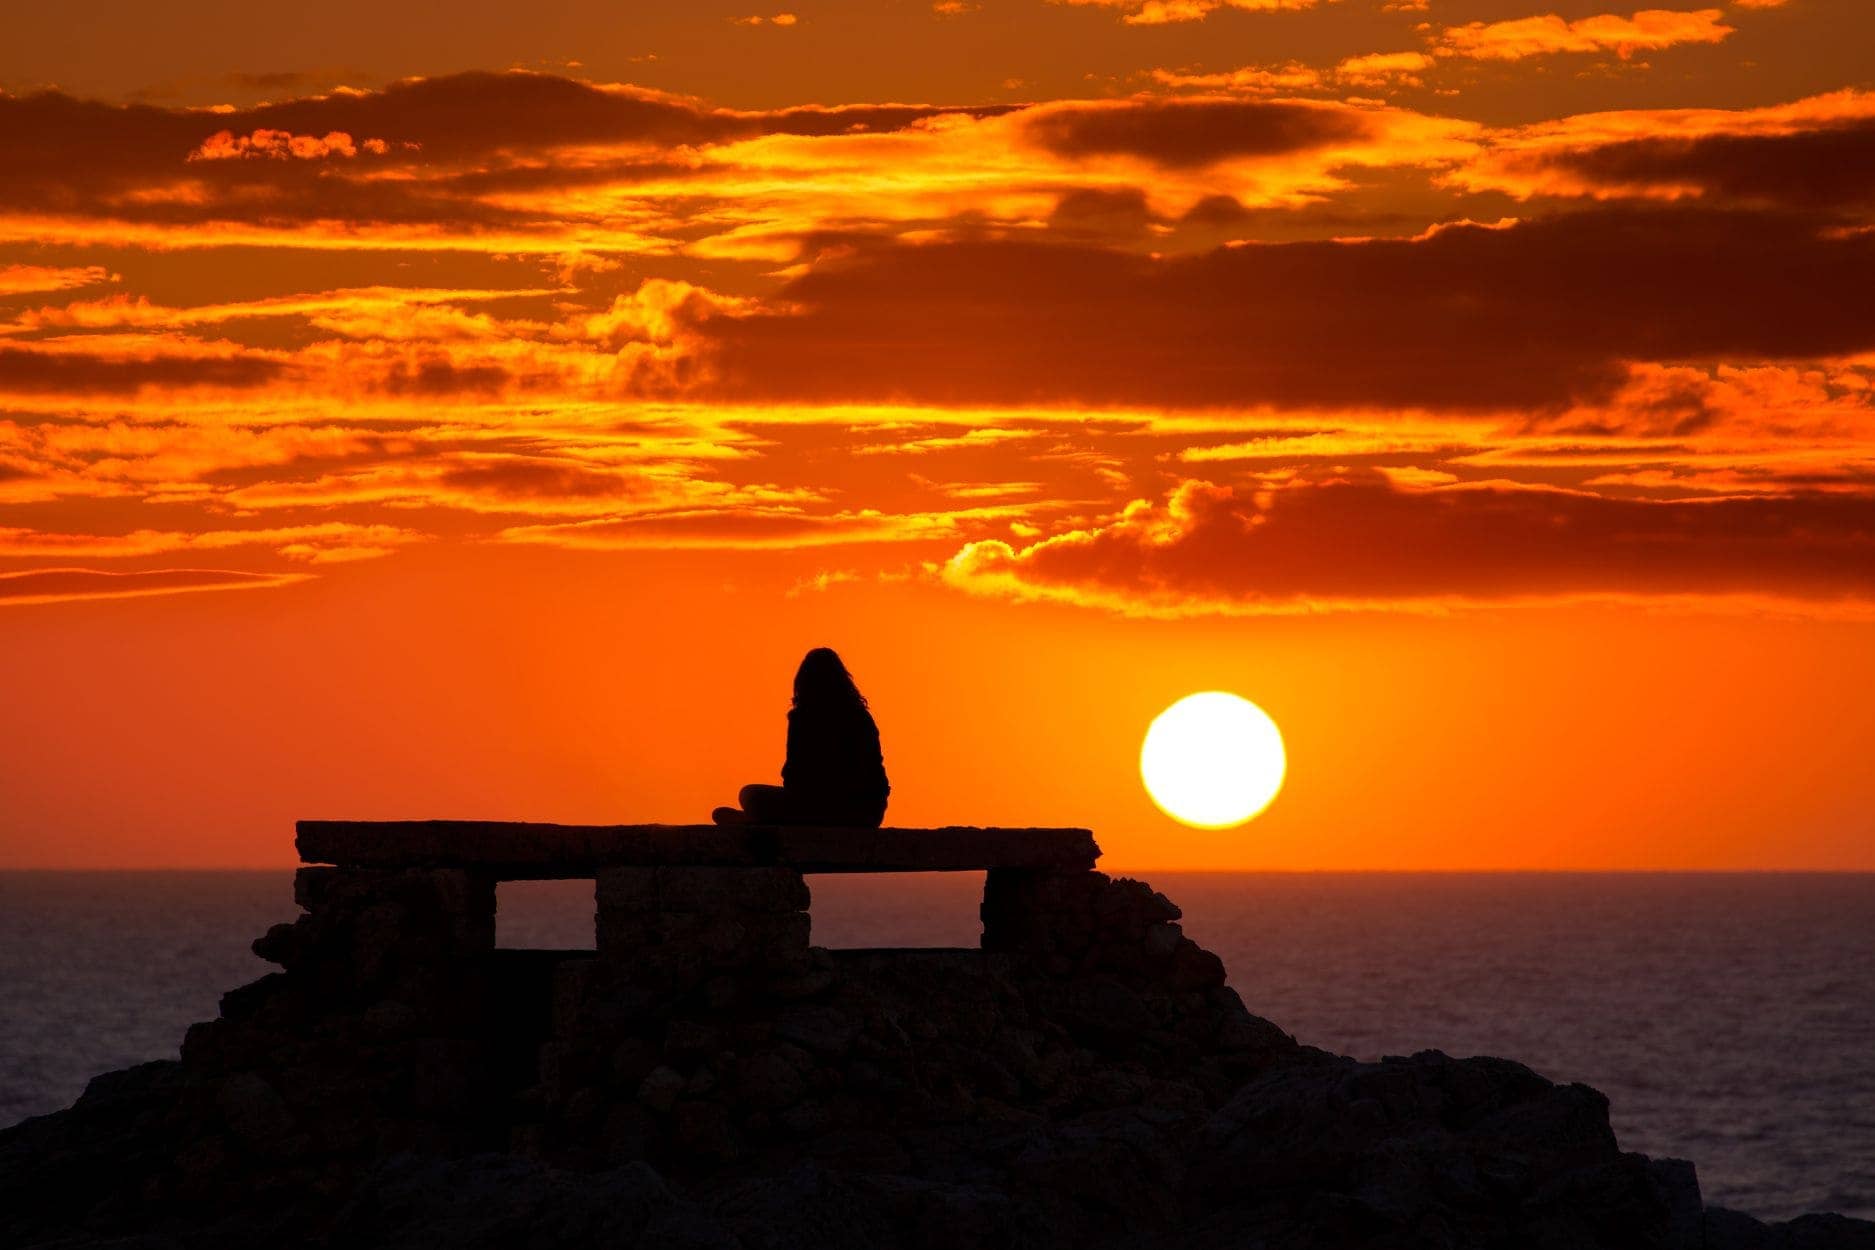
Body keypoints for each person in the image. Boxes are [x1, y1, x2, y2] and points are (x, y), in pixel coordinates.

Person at [712, 647, 890, 828]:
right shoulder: (860, 717)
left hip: (830, 808)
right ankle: (763, 820)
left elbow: (792, 775)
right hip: (868, 813)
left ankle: (758, 821)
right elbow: (877, 779)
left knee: (749, 794)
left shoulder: (803, 718)